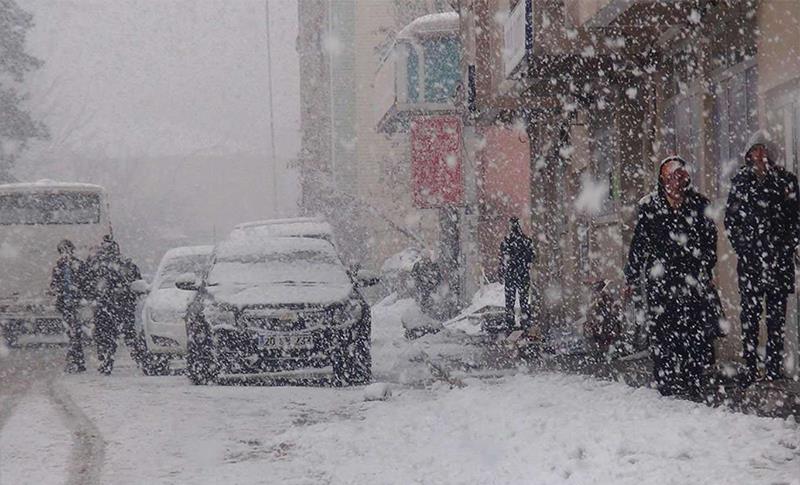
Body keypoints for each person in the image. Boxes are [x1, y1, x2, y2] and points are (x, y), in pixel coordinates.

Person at [624, 156, 718, 398]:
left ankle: (692, 377)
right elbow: (640, 243)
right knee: (663, 329)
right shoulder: (650, 207)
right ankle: (665, 377)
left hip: (690, 277)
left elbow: (709, 240)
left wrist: (705, 268)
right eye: (670, 176)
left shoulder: (698, 204)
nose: (675, 181)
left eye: (679, 175)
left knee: (693, 328)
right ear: (662, 179)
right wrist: (632, 274)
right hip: (661, 279)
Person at [724, 131, 800, 384]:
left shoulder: (787, 181)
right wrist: (746, 248)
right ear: (748, 154)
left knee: (776, 317)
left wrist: (785, 246)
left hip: (778, 261)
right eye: (755, 150)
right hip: (751, 263)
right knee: (750, 315)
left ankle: (774, 366)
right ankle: (750, 364)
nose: (760, 154)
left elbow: (795, 220)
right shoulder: (740, 182)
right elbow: (731, 221)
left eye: (764, 149)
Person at [83, 235, 146, 374]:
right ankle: (141, 360)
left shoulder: (97, 266)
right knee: (128, 335)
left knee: (107, 337)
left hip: (107, 307)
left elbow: (87, 285)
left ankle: (108, 360)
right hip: (120, 307)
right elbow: (137, 283)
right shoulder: (125, 265)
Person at [50, 239, 86, 373]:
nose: (65, 253)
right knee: (73, 333)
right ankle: (77, 361)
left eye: (67, 250)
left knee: (75, 332)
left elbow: (87, 283)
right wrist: (56, 290)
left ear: (72, 250)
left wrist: (79, 292)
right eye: (62, 251)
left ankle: (75, 360)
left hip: (77, 304)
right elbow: (54, 284)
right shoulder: (58, 266)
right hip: (66, 304)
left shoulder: (79, 265)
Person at [499, 217, 535, 332]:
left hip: (511, 274)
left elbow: (503, 258)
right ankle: (525, 321)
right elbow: (531, 257)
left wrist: (503, 269)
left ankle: (510, 322)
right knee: (523, 299)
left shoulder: (506, 242)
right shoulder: (526, 241)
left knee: (510, 300)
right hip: (522, 273)